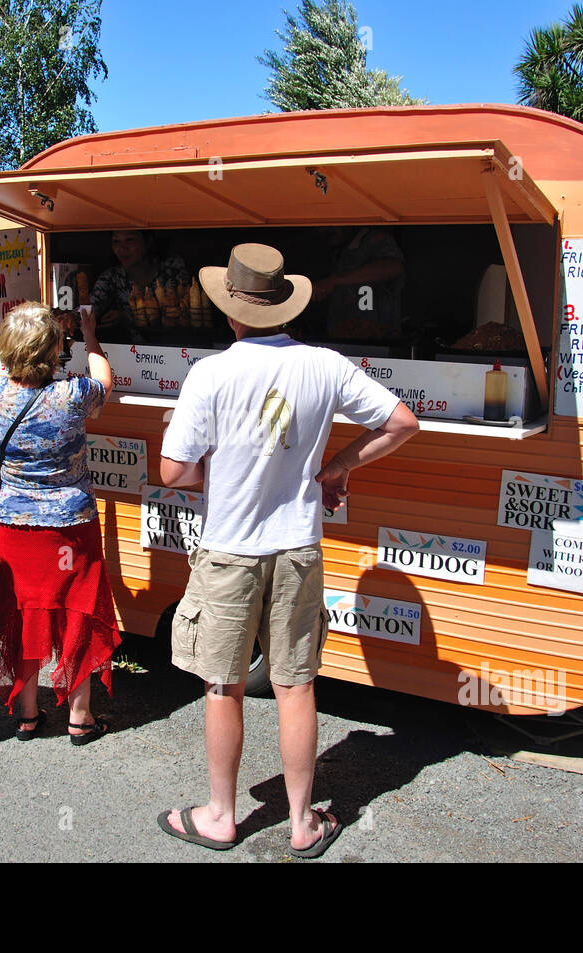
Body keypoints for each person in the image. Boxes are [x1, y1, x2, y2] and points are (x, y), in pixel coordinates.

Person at [157, 243, 418, 857]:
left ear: (230, 312)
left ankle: (221, 816)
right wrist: (334, 469)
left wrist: (221, 476)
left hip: (229, 551)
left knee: (222, 684)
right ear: (286, 308)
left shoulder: (210, 374)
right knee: (295, 685)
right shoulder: (325, 365)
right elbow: (403, 423)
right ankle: (302, 824)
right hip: (298, 547)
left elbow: (172, 472)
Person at [0, 302, 121, 744]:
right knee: (77, 611)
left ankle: (27, 712)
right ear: (54, 349)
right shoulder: (71, 395)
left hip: (18, 527)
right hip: (69, 526)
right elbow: (105, 380)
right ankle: (80, 716)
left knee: (26, 613)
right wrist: (91, 335)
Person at [90, 230, 190, 343]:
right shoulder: (112, 276)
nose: (122, 248)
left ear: (148, 242)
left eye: (130, 240)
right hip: (137, 354)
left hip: (177, 348)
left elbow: (182, 314)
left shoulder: (172, 268)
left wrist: (127, 318)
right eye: (116, 241)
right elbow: (91, 308)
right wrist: (71, 319)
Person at [311, 226, 406, 340]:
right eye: (320, 226)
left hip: (377, 341)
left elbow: (393, 267)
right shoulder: (337, 251)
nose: (326, 229)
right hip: (341, 341)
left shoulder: (374, 239)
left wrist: (332, 281)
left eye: (332, 223)